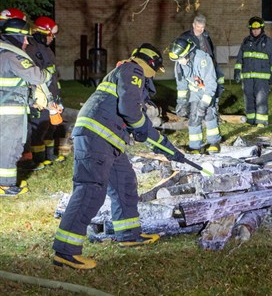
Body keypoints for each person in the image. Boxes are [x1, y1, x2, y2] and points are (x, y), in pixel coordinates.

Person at [52, 44, 184, 269]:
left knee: (124, 183)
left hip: (109, 140)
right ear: (150, 63)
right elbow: (131, 112)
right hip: (97, 136)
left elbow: (138, 121)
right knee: (90, 190)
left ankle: (129, 234)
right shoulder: (133, 71)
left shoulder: (129, 75)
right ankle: (66, 251)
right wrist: (142, 128)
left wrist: (167, 147)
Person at [0, 18, 52, 196]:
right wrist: (49, 72)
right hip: (9, 112)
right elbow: (37, 77)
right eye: (23, 38)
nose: (26, 42)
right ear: (14, 37)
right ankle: (5, 186)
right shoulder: (11, 56)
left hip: (6, 108)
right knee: (10, 146)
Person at [169, 37, 221, 154]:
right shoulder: (179, 64)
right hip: (195, 92)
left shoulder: (202, 59)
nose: (180, 62)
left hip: (208, 90)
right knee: (194, 117)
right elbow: (181, 85)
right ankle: (195, 147)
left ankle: (214, 143)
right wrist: (181, 103)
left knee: (208, 114)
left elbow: (211, 84)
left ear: (187, 53)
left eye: (181, 58)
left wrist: (204, 104)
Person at [25, 16, 64, 170]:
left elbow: (53, 75)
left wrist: (57, 95)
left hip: (52, 95)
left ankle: (50, 155)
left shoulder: (46, 49)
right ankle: (37, 159)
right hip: (40, 98)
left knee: (51, 126)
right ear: (41, 33)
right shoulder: (31, 49)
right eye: (50, 35)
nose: (53, 38)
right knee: (39, 128)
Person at [234, 16, 272, 127]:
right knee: (248, 98)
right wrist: (237, 71)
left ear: (262, 29)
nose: (255, 31)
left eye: (257, 29)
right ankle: (251, 120)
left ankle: (261, 122)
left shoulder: (268, 42)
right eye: (253, 29)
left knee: (261, 99)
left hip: (262, 78)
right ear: (250, 29)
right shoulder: (246, 41)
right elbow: (240, 58)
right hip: (247, 77)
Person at [176, 14, 224, 117]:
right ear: (193, 25)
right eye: (198, 27)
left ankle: (213, 109)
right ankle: (192, 110)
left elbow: (210, 50)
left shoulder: (206, 35)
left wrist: (213, 62)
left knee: (214, 85)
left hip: (208, 65)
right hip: (195, 67)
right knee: (196, 89)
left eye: (202, 27)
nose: (200, 29)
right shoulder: (186, 37)